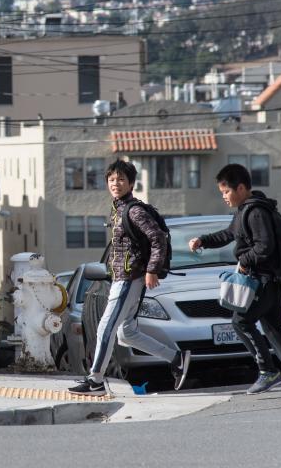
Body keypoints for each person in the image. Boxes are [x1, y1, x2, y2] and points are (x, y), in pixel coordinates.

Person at [188, 163, 281, 396]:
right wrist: (203, 240)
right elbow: (229, 234)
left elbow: (265, 247)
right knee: (273, 329)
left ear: (240, 188)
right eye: (222, 193)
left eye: (226, 192)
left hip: (265, 280)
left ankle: (267, 371)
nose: (225, 197)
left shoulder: (256, 212)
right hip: (268, 279)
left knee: (241, 322)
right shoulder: (246, 210)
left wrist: (244, 261)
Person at [69, 159, 191, 396]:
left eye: (121, 179)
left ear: (132, 183)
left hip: (129, 278)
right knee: (127, 333)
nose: (116, 183)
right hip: (123, 277)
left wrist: (152, 270)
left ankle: (95, 380)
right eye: (112, 179)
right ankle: (177, 358)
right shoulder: (118, 209)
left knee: (106, 326)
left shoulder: (133, 210)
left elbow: (158, 238)